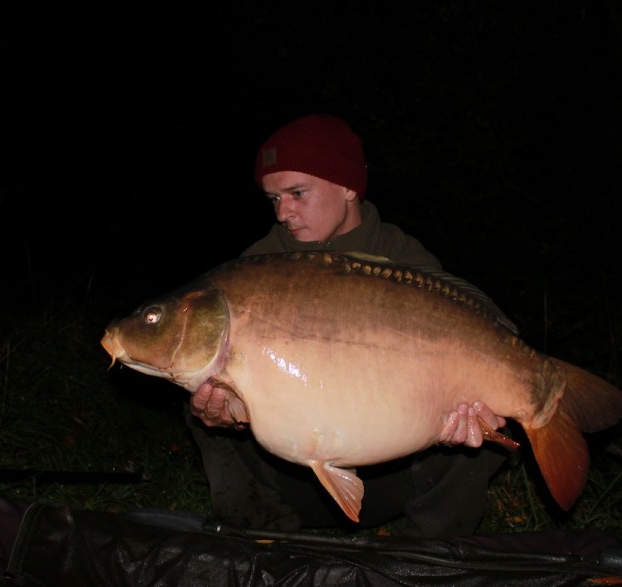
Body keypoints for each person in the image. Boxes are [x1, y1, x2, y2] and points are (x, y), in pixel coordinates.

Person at [186, 114, 512, 538]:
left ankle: (428, 560)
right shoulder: (259, 268)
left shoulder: (404, 261)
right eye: (273, 199)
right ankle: (264, 544)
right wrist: (225, 413)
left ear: (348, 187)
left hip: (397, 479)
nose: (284, 212)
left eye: (297, 193)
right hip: (295, 487)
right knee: (199, 398)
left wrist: (451, 422)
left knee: (477, 438)